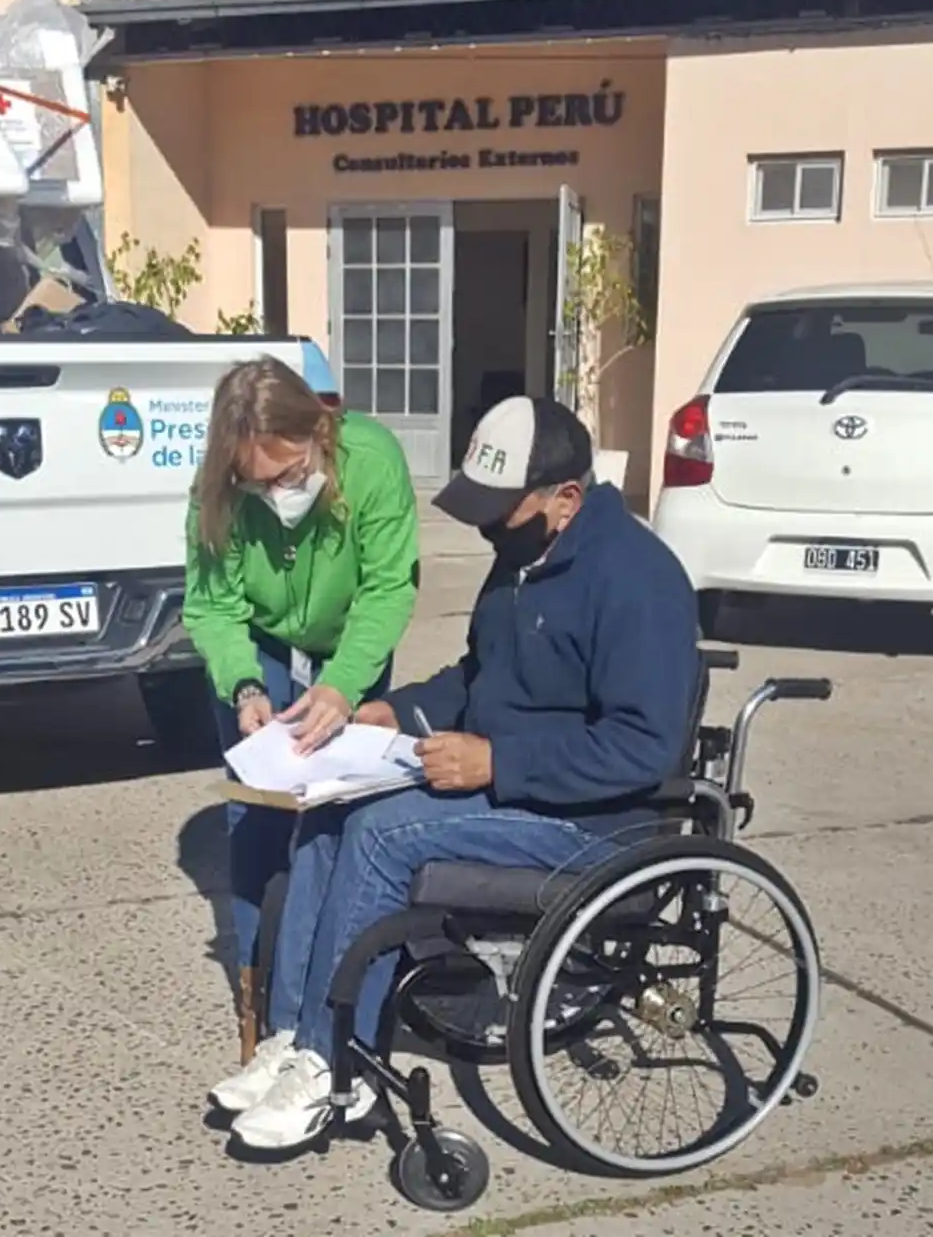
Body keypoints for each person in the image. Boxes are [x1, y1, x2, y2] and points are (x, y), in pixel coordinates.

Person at [210, 395, 701, 1150]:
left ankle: (338, 1065)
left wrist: (498, 760)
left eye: (500, 510)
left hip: (597, 822)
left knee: (379, 833)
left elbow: (644, 747)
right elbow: (479, 676)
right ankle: (296, 1037)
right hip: (518, 794)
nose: (486, 527)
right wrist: (395, 711)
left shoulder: (639, 581)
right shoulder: (524, 560)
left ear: (566, 499)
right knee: (329, 805)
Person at [182, 356, 420, 1068]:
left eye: (286, 475)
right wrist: (246, 689)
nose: (275, 492)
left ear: (316, 433)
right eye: (255, 482)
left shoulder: (372, 460)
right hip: (261, 638)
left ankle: (333, 993)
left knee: (341, 808)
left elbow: (386, 589)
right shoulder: (216, 493)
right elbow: (213, 606)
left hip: (350, 633)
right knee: (255, 816)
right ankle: (259, 1003)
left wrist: (344, 685)